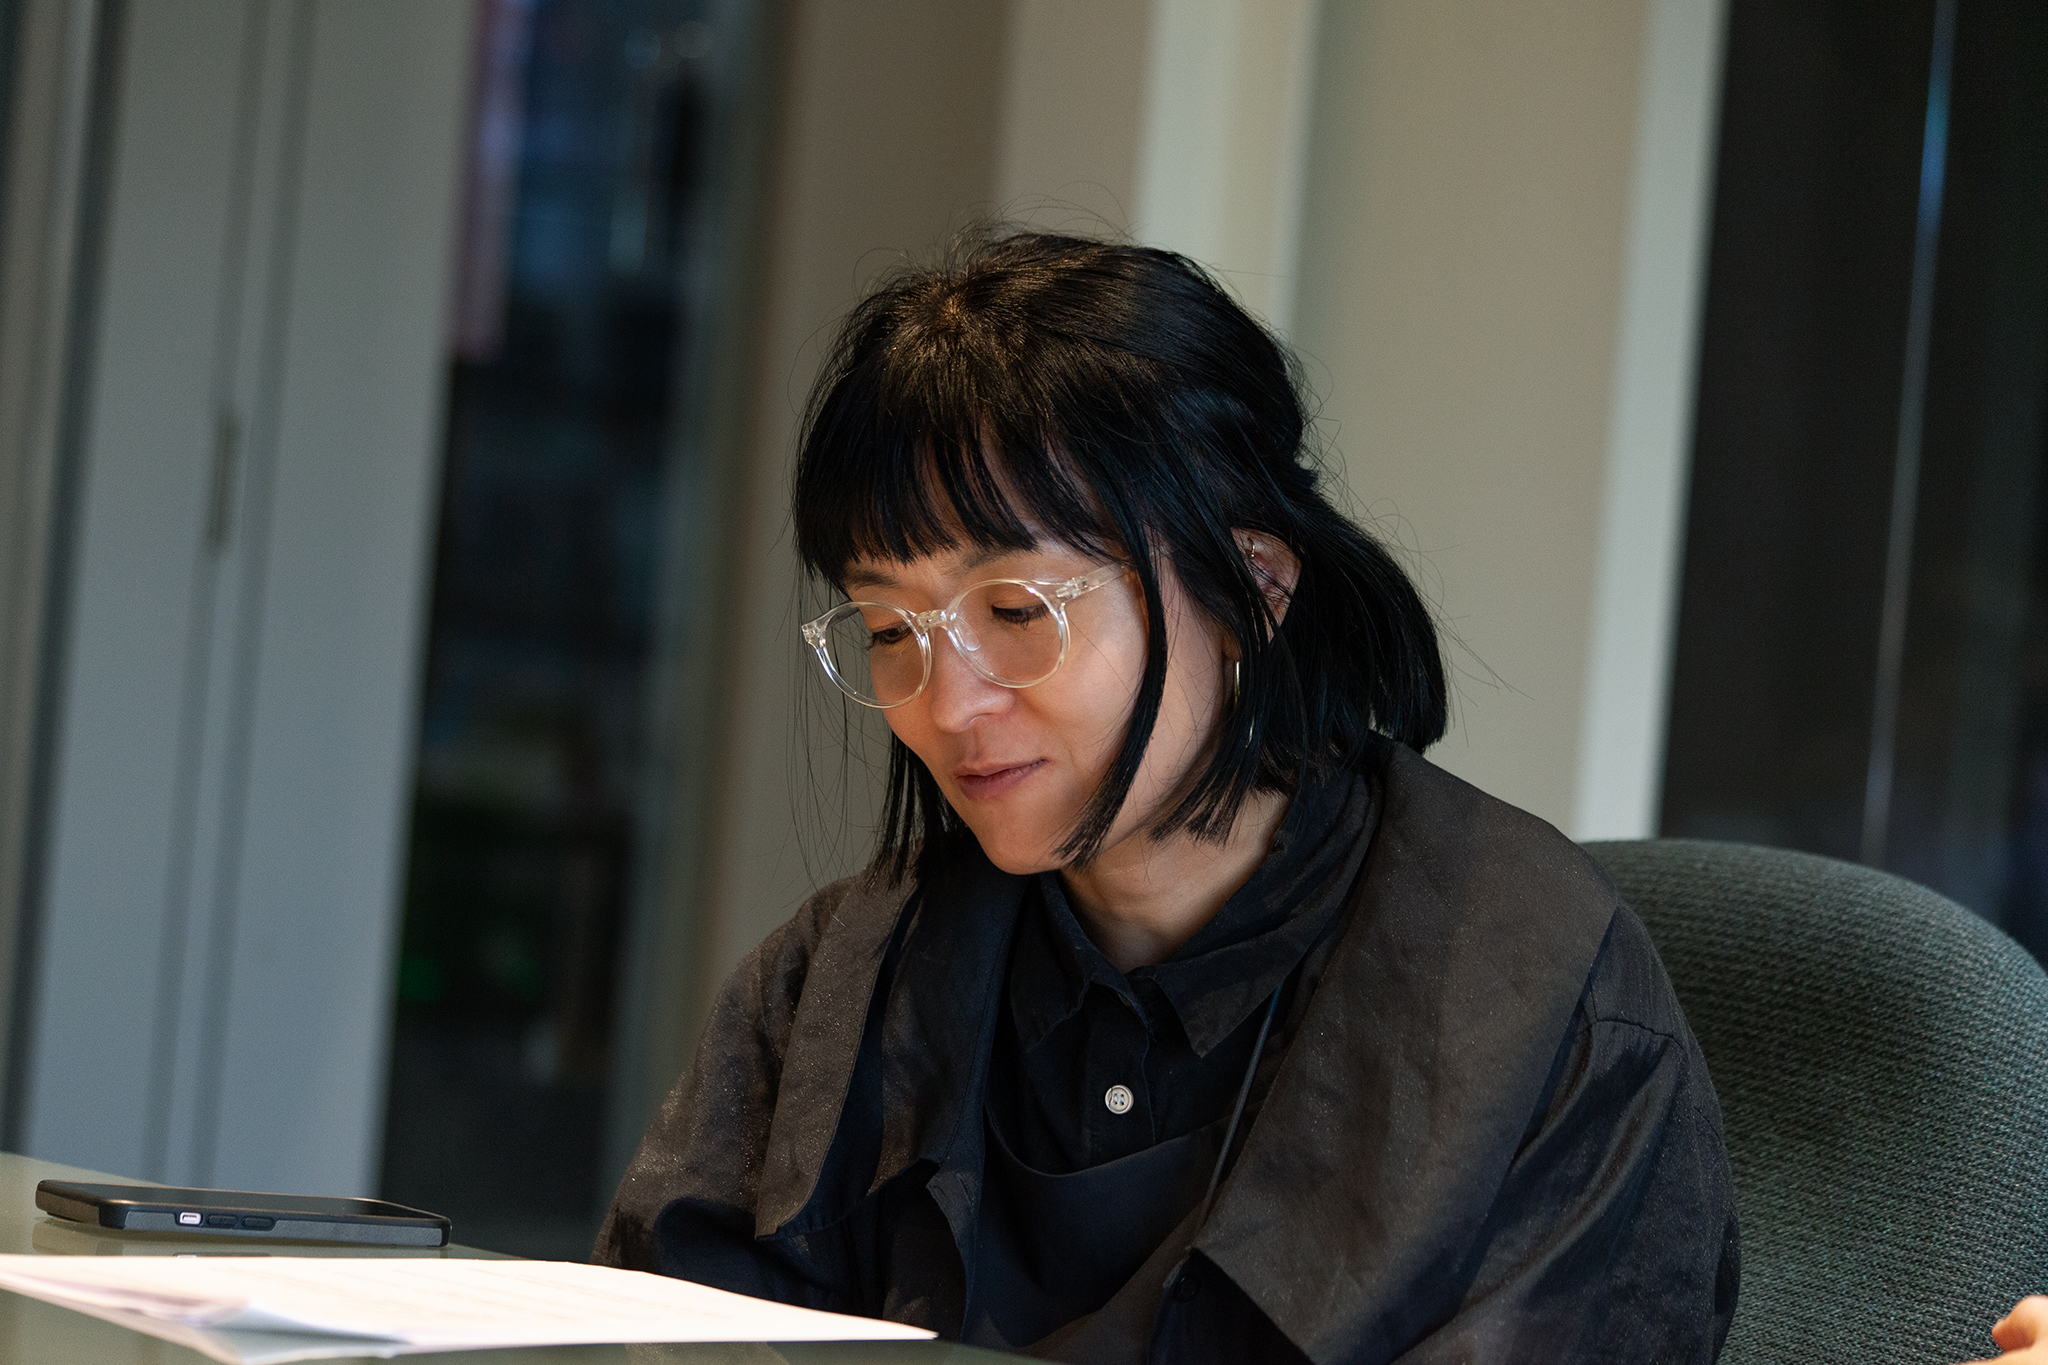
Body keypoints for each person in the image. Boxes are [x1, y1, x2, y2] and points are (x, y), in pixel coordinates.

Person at [596, 231, 1740, 1363]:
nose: (946, 705)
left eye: (1017, 612)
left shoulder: (1542, 1011)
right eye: (891, 628)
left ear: (1247, 590)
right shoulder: (838, 985)